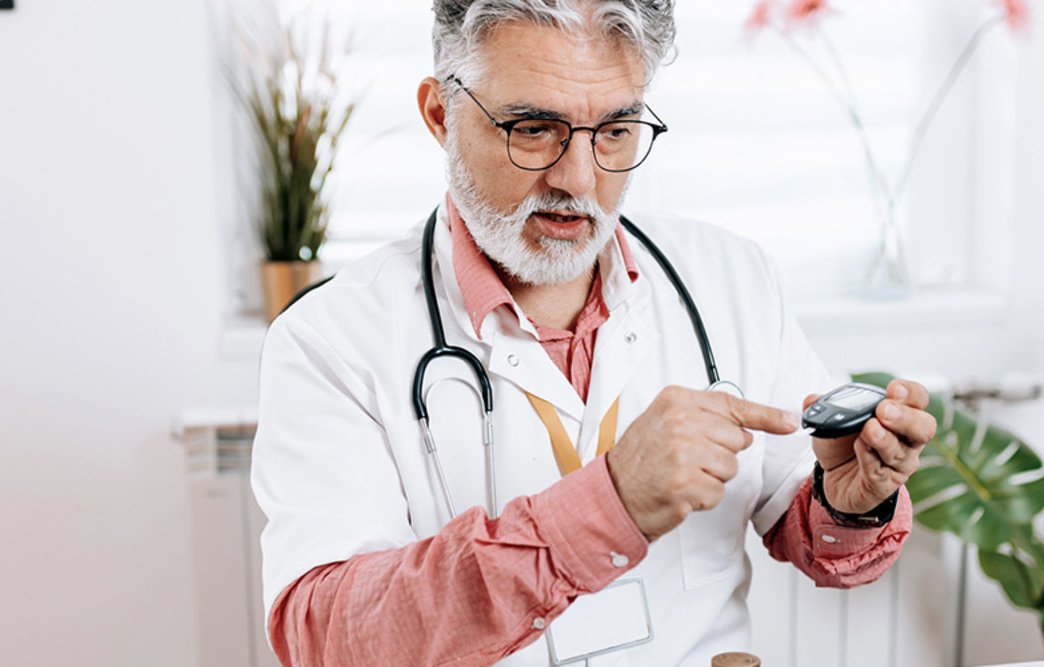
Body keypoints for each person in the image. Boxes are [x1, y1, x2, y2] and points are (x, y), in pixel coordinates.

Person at [250, 1, 938, 665]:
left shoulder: (730, 277)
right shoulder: (329, 340)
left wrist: (849, 504)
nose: (579, 178)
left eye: (615, 129)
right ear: (440, 114)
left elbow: (811, 528)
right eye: (533, 128)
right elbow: (330, 638)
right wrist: (610, 502)